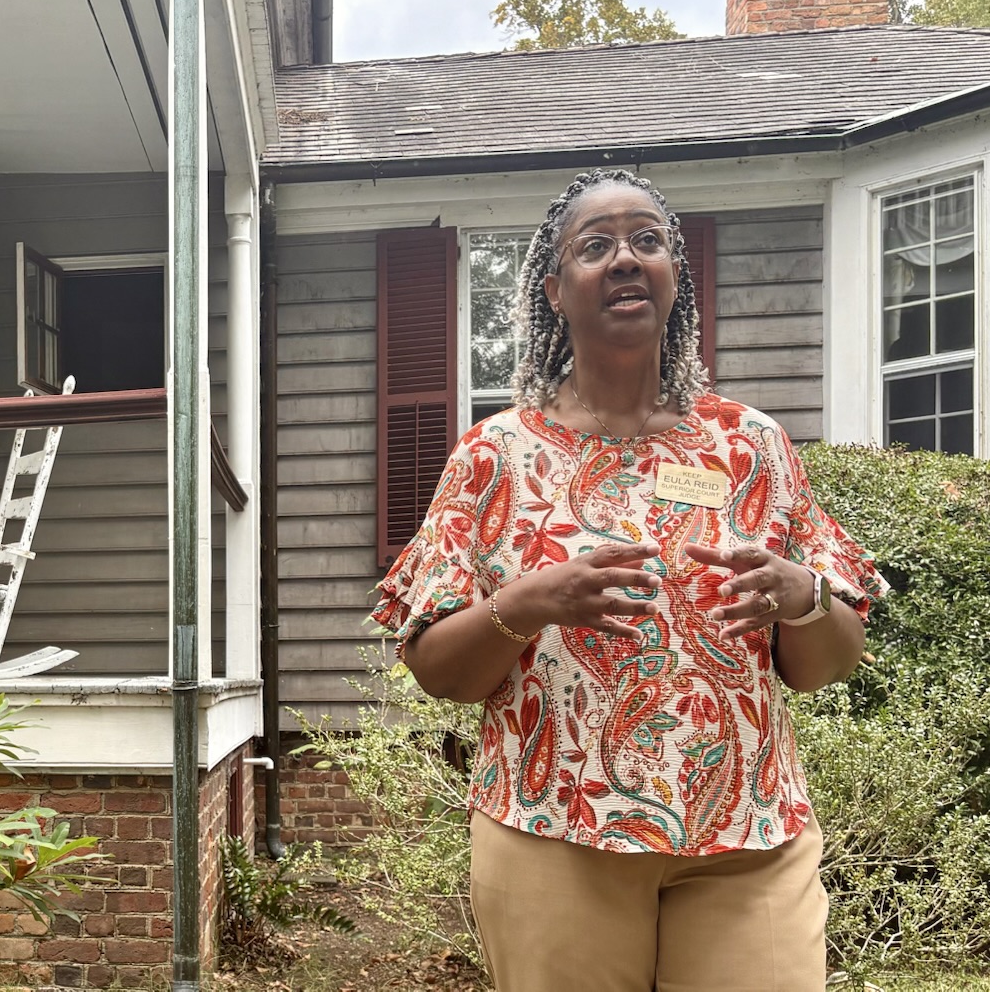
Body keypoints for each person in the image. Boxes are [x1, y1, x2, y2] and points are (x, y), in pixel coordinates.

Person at [372, 170, 885, 992]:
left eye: (647, 240)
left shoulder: (750, 447)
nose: (624, 258)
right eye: (595, 246)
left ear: (674, 278)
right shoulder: (494, 458)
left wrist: (805, 598)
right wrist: (529, 603)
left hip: (749, 834)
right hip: (554, 835)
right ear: (553, 291)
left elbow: (828, 662)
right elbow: (437, 670)